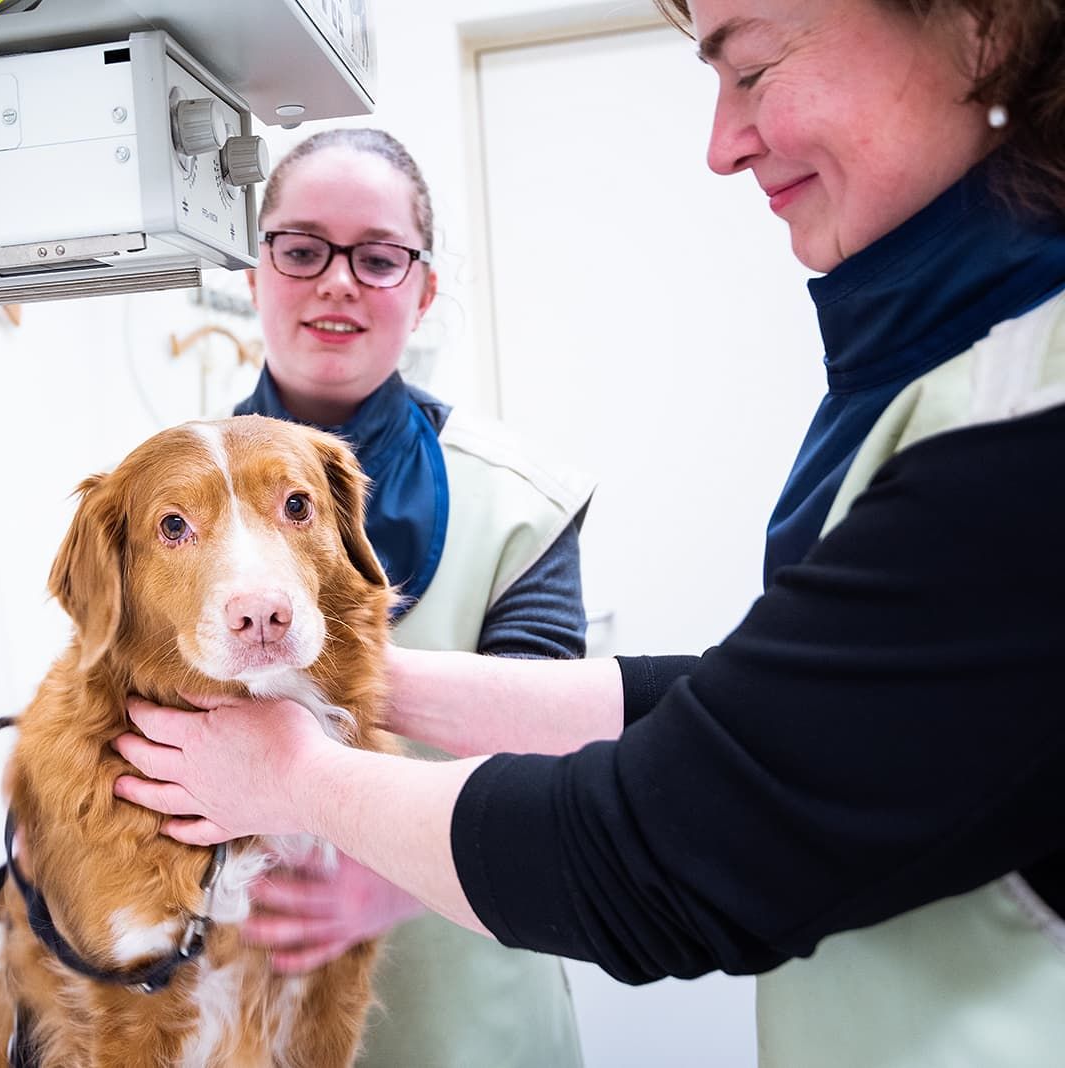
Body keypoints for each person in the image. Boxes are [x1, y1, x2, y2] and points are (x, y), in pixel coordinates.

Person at [111, 1, 1065, 1065]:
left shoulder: (1018, 419)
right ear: (254, 273)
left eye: (752, 67)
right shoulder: (944, 374)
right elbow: (750, 713)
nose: (720, 142)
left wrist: (304, 781)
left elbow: (669, 839)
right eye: (299, 250)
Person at [228, 127, 594, 1066]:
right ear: (256, 269)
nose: (337, 281)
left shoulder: (518, 503)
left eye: (378, 258)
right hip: (241, 1013)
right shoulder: (162, 506)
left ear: (424, 289)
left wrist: (402, 881)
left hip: (468, 1008)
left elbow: (550, 772)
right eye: (303, 249)